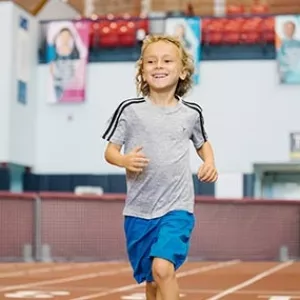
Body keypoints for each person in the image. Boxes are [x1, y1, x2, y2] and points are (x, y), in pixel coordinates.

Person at [102, 34, 218, 300]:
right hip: (139, 211)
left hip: (177, 207)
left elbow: (203, 143)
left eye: (167, 60)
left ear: (183, 70)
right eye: (151, 61)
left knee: (163, 268)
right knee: (152, 280)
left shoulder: (191, 113)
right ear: (142, 70)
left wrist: (209, 162)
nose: (159, 66)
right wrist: (124, 160)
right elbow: (110, 151)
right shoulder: (129, 110)